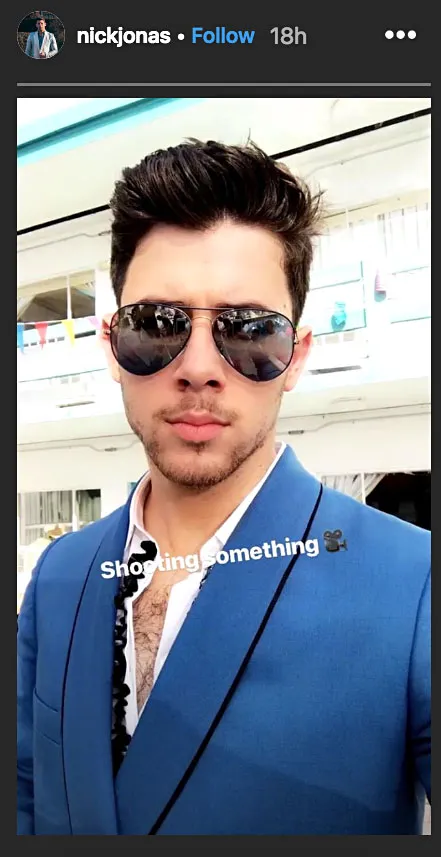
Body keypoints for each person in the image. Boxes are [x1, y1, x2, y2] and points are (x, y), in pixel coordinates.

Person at [17, 140, 431, 835]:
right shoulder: (61, 575)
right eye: (158, 325)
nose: (200, 367)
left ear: (295, 357)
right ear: (111, 344)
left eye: (249, 331)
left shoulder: (414, 584)